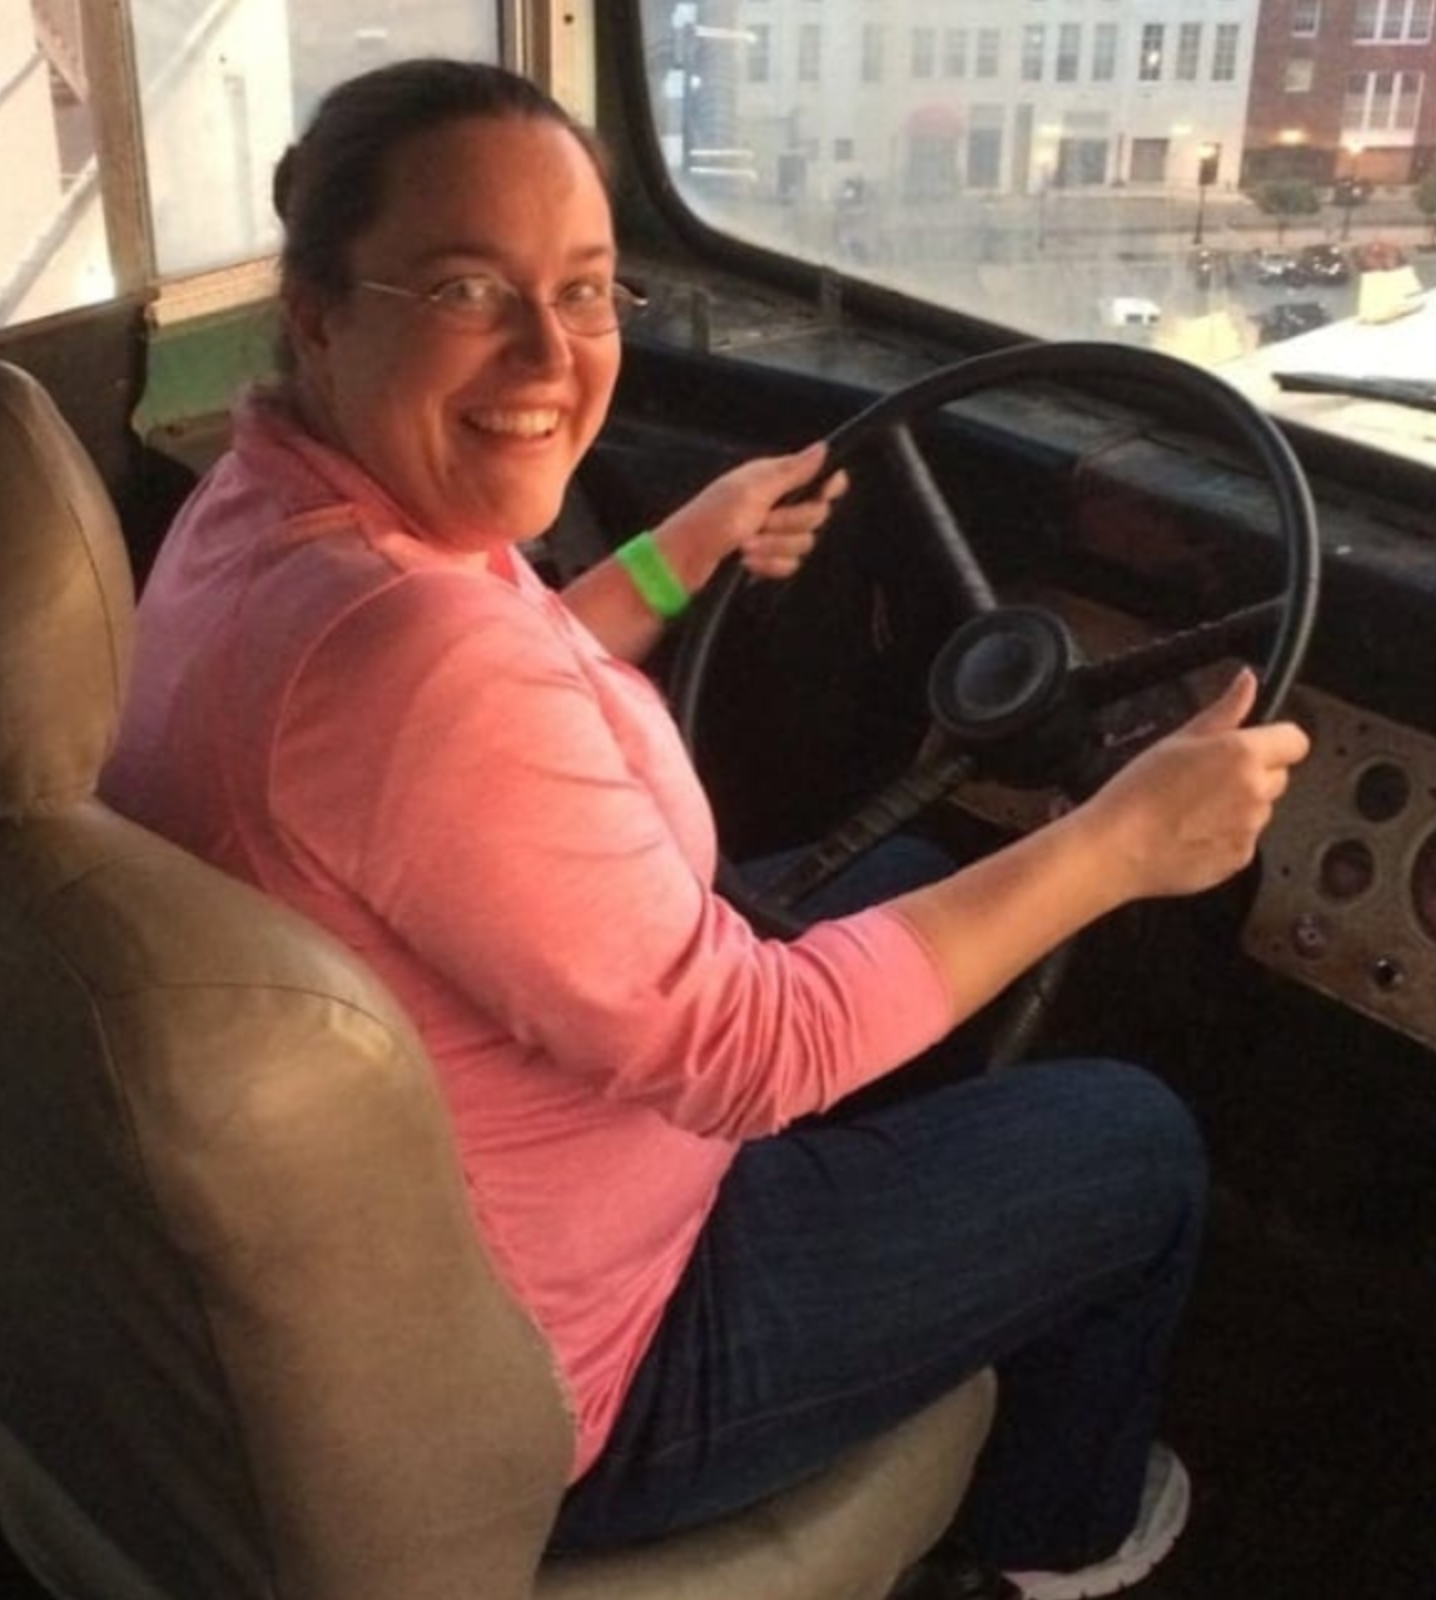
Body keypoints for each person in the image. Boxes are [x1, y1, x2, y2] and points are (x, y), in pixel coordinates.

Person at [101, 58, 1310, 1598]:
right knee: (1135, 1147)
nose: (552, 350)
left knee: (915, 872)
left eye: (591, 292)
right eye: (473, 287)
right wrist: (1115, 848)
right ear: (322, 309)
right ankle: (1063, 1537)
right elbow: (755, 1049)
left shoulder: (278, 520)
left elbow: (478, 725)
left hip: (457, 1194)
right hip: (587, 1353)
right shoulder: (407, 659)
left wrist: (679, 553)